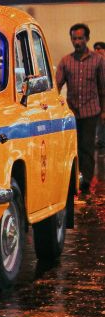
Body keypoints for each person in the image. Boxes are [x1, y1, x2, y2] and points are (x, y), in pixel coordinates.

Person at [56, 23, 105, 195]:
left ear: (87, 39)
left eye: (80, 38)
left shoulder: (98, 60)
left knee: (87, 148)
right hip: (72, 112)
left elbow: (103, 87)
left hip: (91, 112)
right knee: (72, 148)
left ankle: (85, 185)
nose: (77, 42)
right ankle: (73, 181)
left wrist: (103, 111)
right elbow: (56, 86)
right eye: (74, 38)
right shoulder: (66, 62)